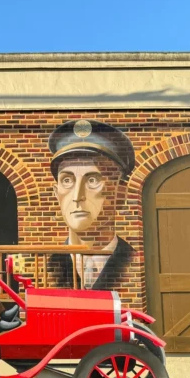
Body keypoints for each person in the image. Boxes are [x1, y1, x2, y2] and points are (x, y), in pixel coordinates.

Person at [47, 119, 135, 290]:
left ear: (121, 192)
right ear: (56, 193)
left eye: (93, 180)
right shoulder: (48, 264)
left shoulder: (132, 260)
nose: (77, 196)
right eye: (67, 180)